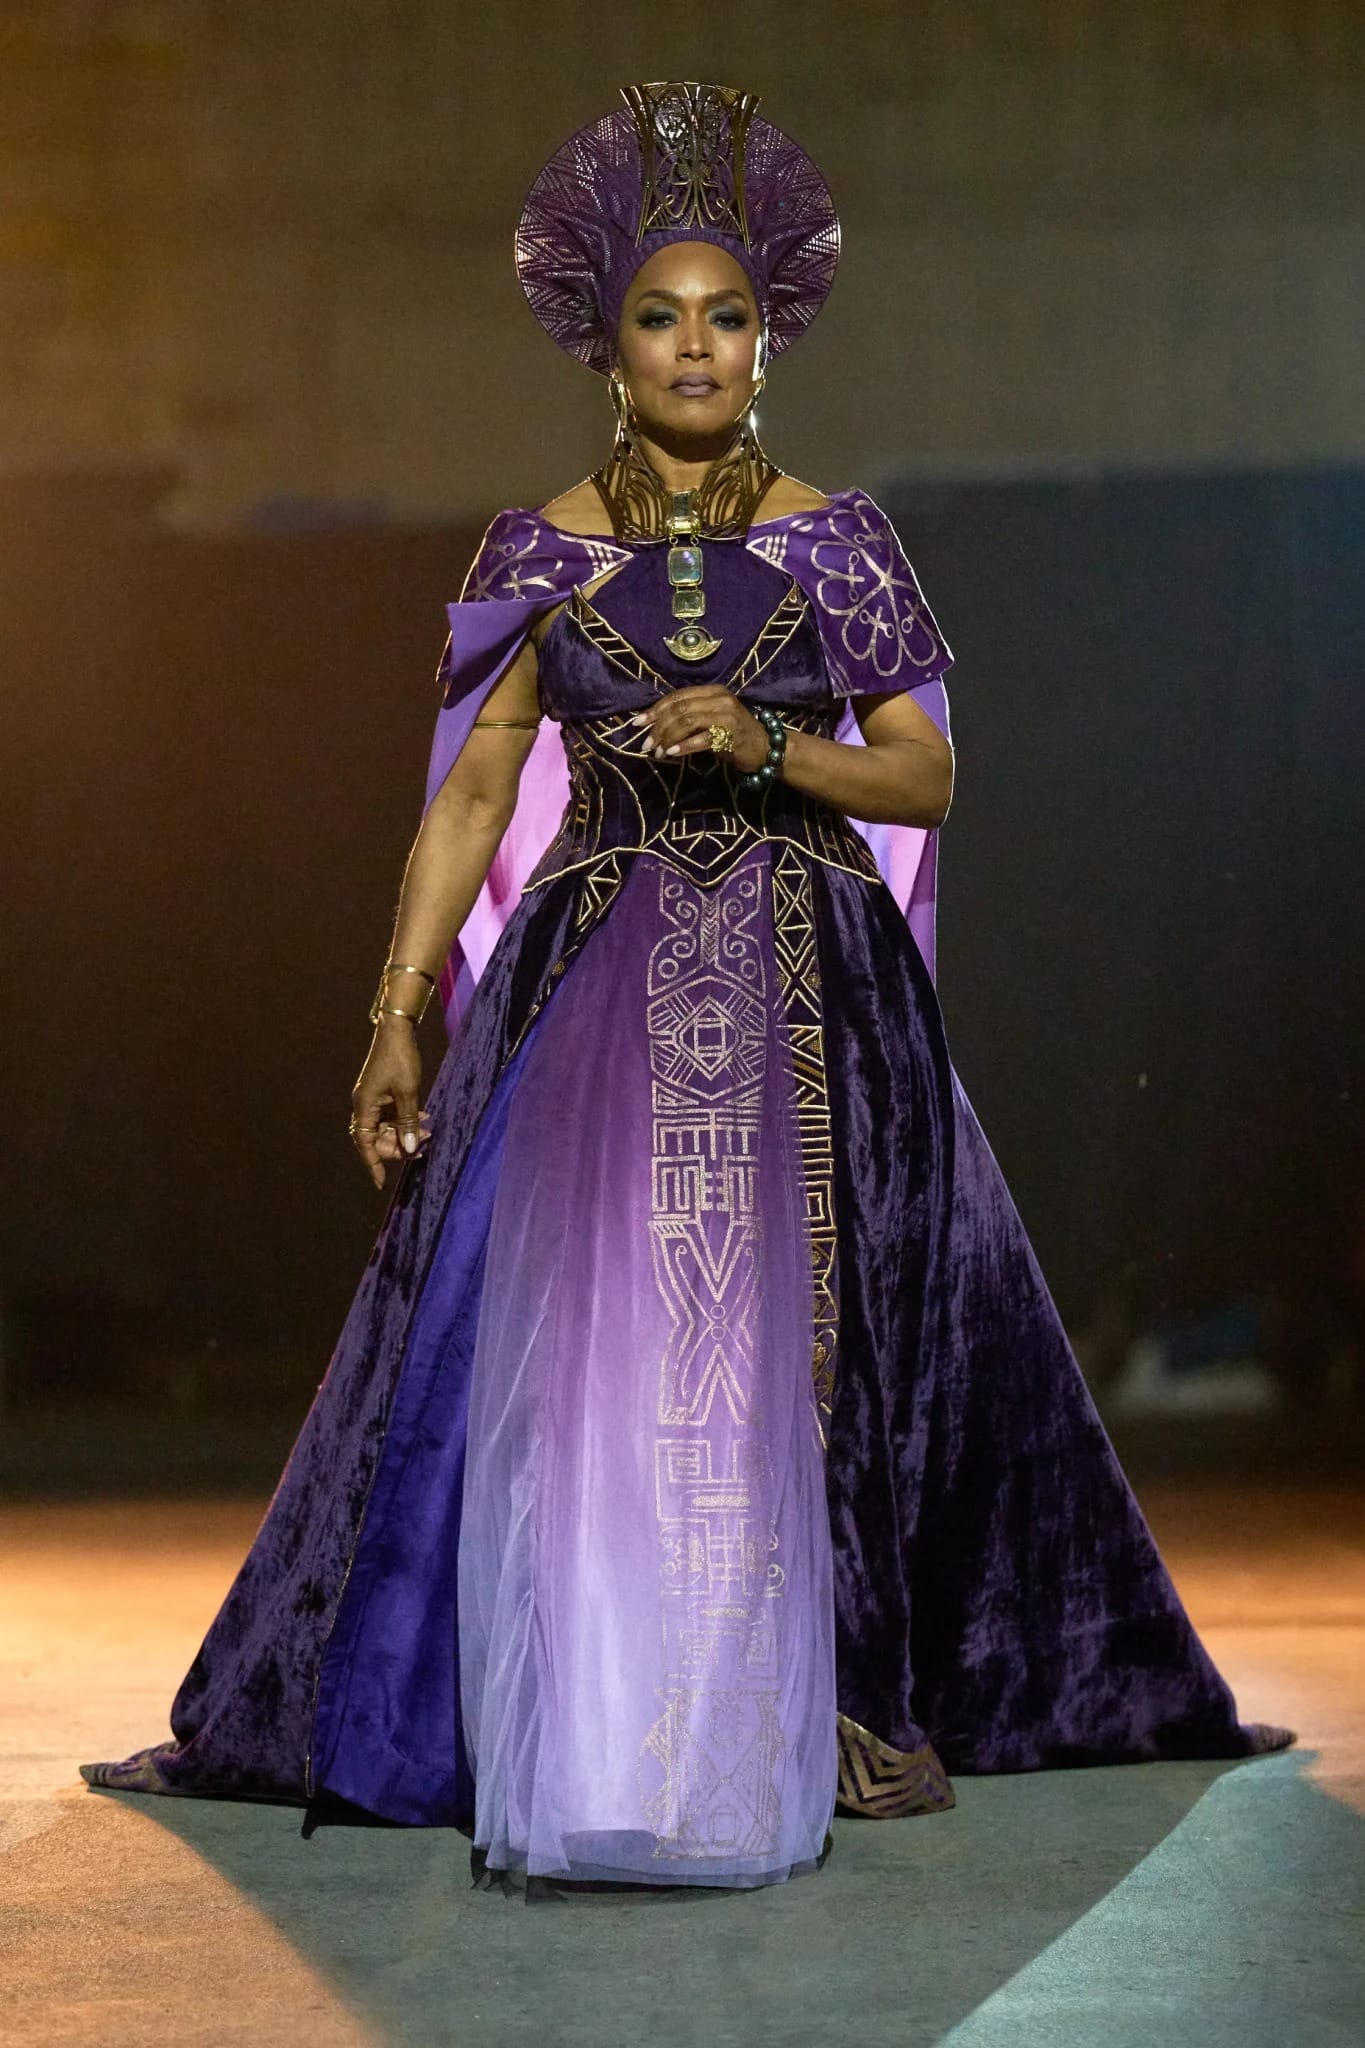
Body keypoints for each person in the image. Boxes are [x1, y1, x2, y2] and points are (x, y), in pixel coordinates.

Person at [81, 80, 1291, 1897]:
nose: (698, 345)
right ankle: (573, 1708)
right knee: (572, 1348)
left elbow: (928, 778)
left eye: (727, 315)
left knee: (815, 1350)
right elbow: (473, 794)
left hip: (816, 989)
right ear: (607, 339)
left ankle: (811, 1698)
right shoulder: (534, 554)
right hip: (587, 987)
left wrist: (769, 745)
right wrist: (397, 1013)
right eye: (663, 314)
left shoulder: (842, 543)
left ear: (768, 333)